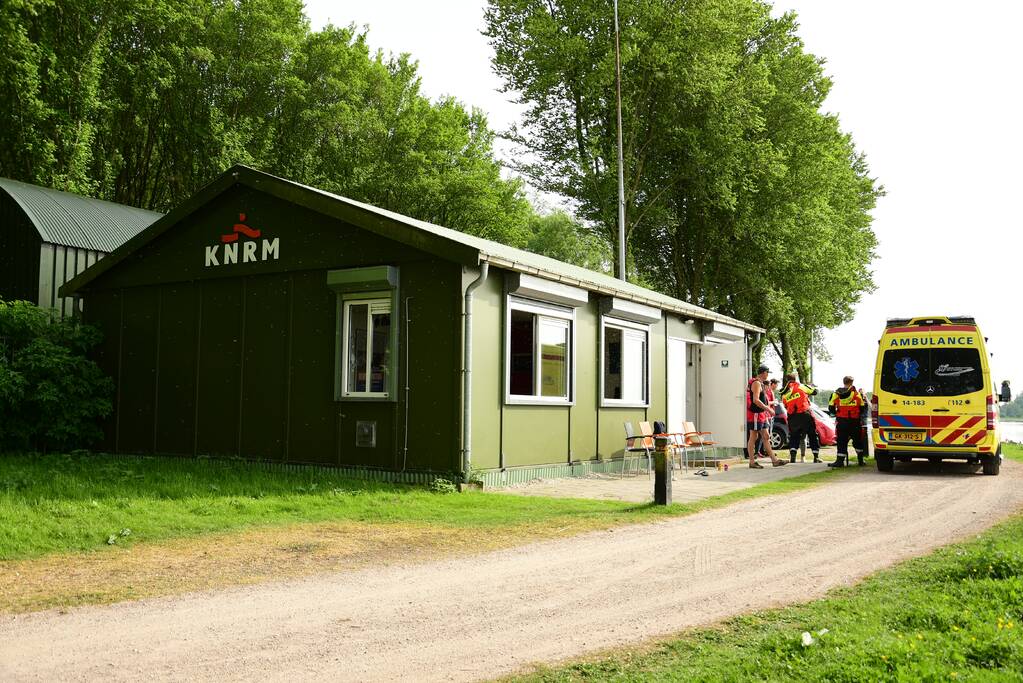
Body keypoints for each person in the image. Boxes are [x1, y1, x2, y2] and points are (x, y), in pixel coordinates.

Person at [746, 365, 787, 469]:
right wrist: (768, 409)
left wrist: (767, 408)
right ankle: (751, 462)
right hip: (755, 414)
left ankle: (774, 460)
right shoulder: (756, 383)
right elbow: (756, 400)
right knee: (753, 437)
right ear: (764, 373)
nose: (768, 375)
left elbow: (764, 399)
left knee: (766, 436)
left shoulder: (761, 383)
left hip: (761, 414)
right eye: (767, 373)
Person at [828, 376, 866, 467]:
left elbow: (831, 407)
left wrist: (836, 413)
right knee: (857, 440)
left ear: (843, 382)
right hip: (854, 421)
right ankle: (861, 460)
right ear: (852, 383)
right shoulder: (857, 395)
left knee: (841, 441)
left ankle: (840, 461)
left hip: (842, 421)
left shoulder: (836, 394)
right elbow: (862, 408)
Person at [782, 372, 820, 463]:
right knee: (812, 435)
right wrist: (809, 387)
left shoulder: (784, 392)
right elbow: (815, 392)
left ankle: (793, 458)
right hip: (804, 414)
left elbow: (785, 405)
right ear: (796, 379)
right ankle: (816, 457)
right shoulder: (801, 386)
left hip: (792, 416)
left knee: (794, 437)